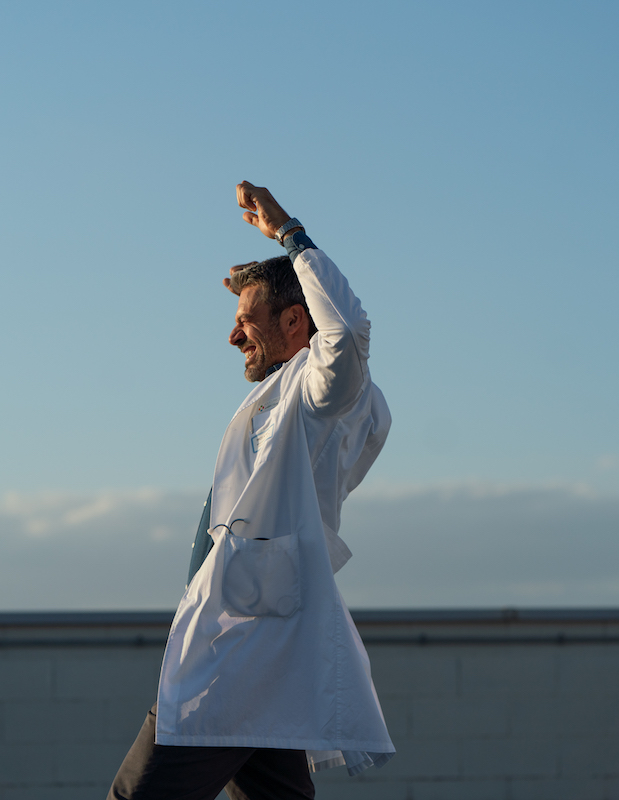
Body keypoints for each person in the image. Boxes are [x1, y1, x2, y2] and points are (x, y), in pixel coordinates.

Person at [107, 182, 394, 800]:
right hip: (251, 633)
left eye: (247, 321)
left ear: (297, 321)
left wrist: (292, 236)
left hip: (243, 647)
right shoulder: (287, 394)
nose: (233, 338)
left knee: (137, 797)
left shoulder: (320, 397)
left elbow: (346, 334)